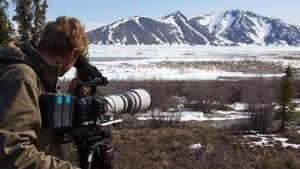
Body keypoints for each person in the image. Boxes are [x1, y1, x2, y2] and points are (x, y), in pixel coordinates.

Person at [0, 16, 89, 168]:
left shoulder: (40, 75)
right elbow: (12, 152)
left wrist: (71, 99)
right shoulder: (23, 77)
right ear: (73, 53)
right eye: (77, 59)